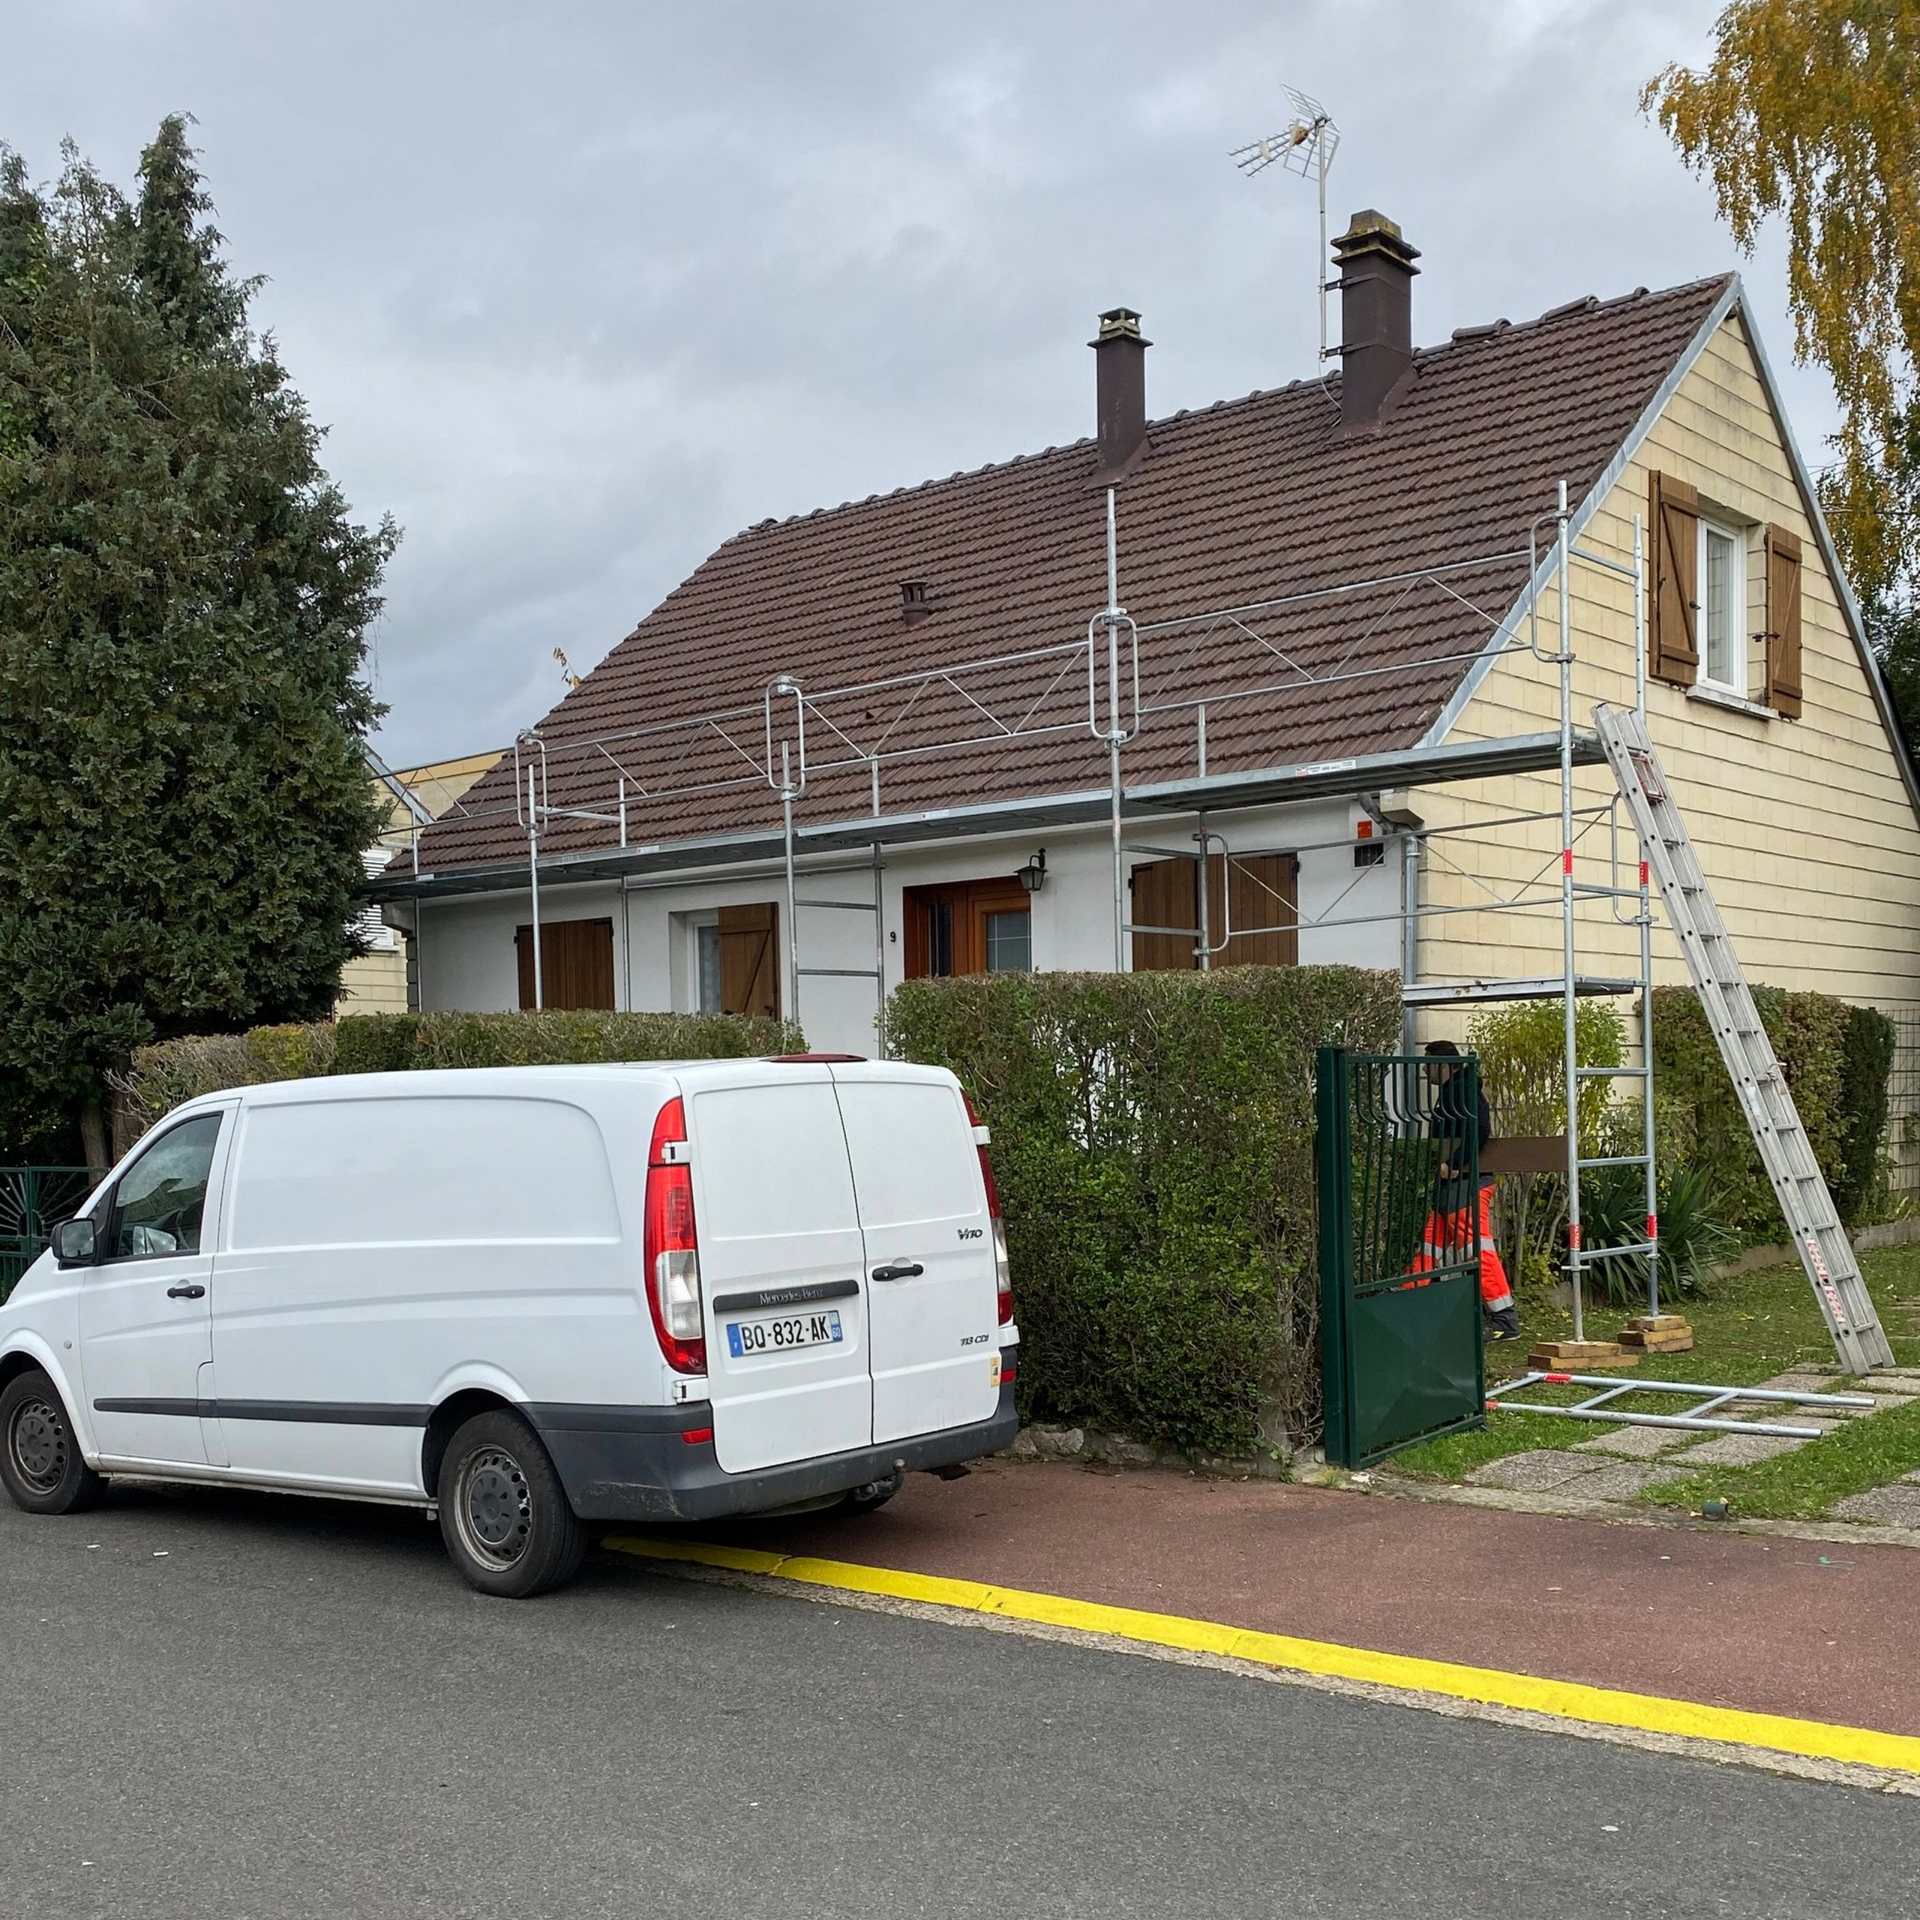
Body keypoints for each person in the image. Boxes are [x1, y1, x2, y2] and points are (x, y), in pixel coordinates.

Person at [1418, 1040, 1521, 1343]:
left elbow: (1480, 1130)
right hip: (1450, 1187)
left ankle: (1505, 1319)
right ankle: (1407, 1301)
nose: (1424, 1070)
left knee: (1477, 1250)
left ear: (1442, 1064)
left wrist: (1454, 1163)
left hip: (1466, 1184)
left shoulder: (1463, 1091)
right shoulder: (1453, 1092)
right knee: (1427, 1247)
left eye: (1427, 1064)